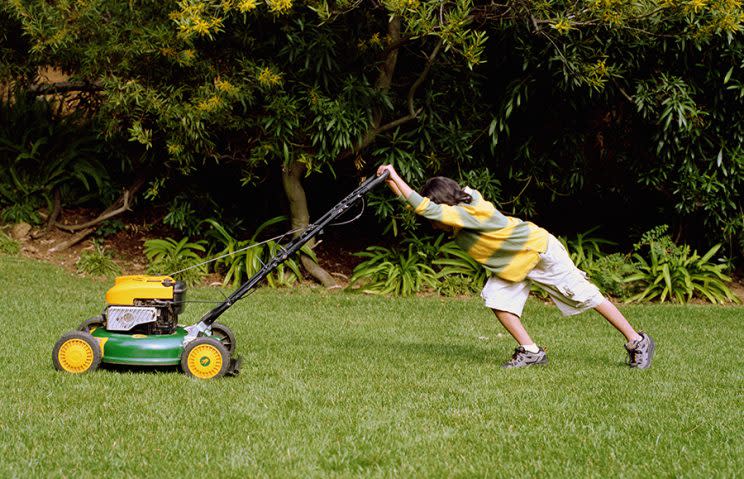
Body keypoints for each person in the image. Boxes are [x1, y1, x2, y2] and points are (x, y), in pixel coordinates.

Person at [376, 164, 655, 369]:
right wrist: (390, 182)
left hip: (539, 252)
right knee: (498, 299)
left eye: (435, 213)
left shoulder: (470, 211)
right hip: (515, 265)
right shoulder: (460, 216)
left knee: (584, 294)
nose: (433, 225)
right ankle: (531, 350)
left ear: (443, 203)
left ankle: (637, 340)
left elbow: (426, 208)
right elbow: (422, 208)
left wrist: (397, 176)